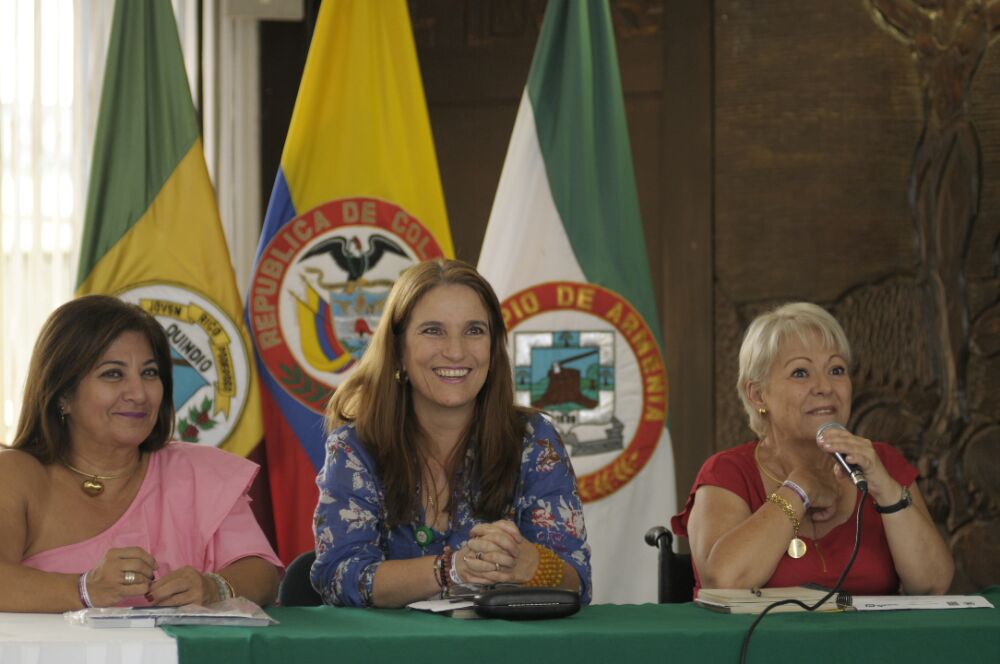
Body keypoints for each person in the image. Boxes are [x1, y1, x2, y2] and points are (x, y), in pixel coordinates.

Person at [311, 259, 591, 607]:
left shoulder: (534, 440)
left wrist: (533, 565)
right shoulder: (355, 448)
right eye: (433, 330)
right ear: (398, 350)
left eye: (474, 330)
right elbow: (338, 577)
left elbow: (576, 581)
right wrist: (451, 569)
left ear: (493, 347)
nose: (456, 351)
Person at [0, 295, 282, 612]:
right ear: (63, 394)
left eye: (149, 373)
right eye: (113, 374)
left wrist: (212, 587)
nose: (139, 394)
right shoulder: (16, 475)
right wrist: (84, 590)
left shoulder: (199, 471)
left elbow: (262, 575)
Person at [672, 302, 953, 595]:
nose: (825, 387)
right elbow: (724, 582)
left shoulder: (881, 462)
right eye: (800, 373)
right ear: (758, 395)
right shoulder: (727, 472)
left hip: (871, 640)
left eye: (836, 369)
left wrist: (887, 490)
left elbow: (932, 585)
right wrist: (799, 489)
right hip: (761, 641)